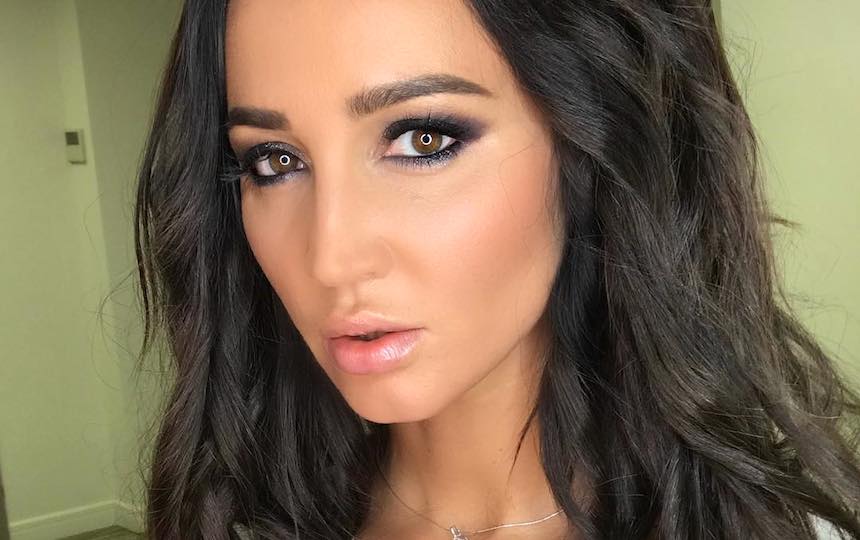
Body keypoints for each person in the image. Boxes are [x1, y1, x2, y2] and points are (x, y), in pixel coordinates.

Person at [133, 0, 860, 538]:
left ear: (592, 143)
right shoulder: (229, 523)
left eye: (423, 139)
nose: (330, 258)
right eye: (274, 161)